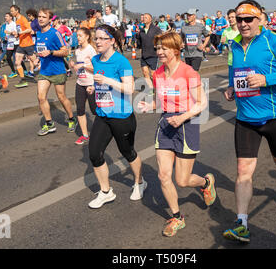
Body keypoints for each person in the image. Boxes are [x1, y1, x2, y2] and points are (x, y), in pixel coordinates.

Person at [223, 0, 276, 243]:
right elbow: (235, 71)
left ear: (260, 19)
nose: (243, 24)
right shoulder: (235, 44)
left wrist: (266, 79)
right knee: (243, 171)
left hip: (274, 116)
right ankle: (242, 223)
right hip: (245, 118)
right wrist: (231, 87)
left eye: (249, 19)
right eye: (239, 19)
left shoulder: (273, 41)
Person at [138, 31, 216, 237]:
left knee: (182, 180)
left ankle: (206, 182)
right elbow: (161, 101)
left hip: (186, 125)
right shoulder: (157, 74)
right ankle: (177, 217)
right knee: (163, 175)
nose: (159, 51)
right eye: (158, 48)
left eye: (163, 48)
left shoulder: (189, 72)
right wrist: (150, 105)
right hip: (165, 125)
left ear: (175, 49)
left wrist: (182, 117)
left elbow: (202, 103)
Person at [87, 24, 146, 209]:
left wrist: (107, 81)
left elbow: (130, 89)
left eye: (101, 38)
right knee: (94, 154)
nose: (97, 42)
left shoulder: (122, 62)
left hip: (121, 116)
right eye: (95, 38)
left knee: (127, 152)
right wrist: (94, 87)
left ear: (112, 41)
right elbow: (100, 83)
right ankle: (106, 192)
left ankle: (139, 182)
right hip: (103, 115)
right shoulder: (96, 60)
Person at [35, 8, 76, 136]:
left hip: (57, 70)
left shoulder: (55, 33)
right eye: (39, 16)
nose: (40, 19)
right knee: (41, 97)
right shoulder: (38, 34)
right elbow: (40, 50)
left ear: (49, 19)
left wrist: (51, 52)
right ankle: (49, 124)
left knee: (61, 97)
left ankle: (71, 119)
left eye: (43, 17)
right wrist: (37, 58)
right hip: (44, 71)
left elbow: (66, 51)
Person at [69, 27, 97, 145]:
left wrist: (84, 66)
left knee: (95, 110)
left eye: (80, 36)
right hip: (80, 83)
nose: (78, 38)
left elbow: (97, 68)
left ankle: (104, 129)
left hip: (91, 84)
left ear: (87, 36)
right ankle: (85, 135)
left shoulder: (91, 50)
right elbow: (79, 66)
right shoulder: (78, 51)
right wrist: (73, 65)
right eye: (77, 36)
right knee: (80, 109)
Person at [10, 5, 38, 88]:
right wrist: (16, 35)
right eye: (10, 11)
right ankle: (23, 80)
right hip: (21, 44)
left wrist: (20, 33)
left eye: (12, 11)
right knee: (17, 62)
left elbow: (29, 30)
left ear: (17, 11)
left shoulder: (23, 19)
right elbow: (21, 32)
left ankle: (48, 73)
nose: (11, 12)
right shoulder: (17, 21)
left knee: (36, 62)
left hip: (28, 44)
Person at [138, 13, 162, 92]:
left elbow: (161, 39)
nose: (144, 19)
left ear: (150, 19)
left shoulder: (156, 29)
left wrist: (158, 46)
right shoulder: (141, 31)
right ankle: (150, 90)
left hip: (153, 54)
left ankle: (159, 88)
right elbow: (139, 42)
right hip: (144, 55)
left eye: (146, 17)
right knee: (145, 73)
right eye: (143, 17)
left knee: (153, 74)